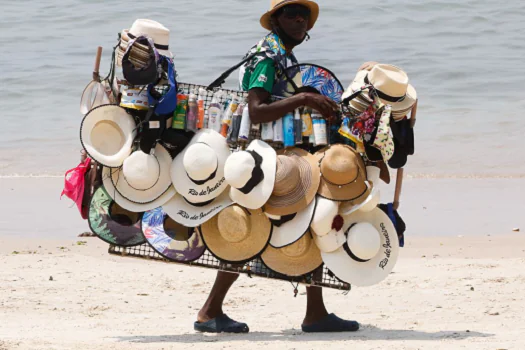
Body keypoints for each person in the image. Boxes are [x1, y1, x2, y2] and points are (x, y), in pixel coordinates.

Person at [194, 0, 361, 334]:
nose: (300, 20)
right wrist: (305, 99)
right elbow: (256, 109)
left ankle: (315, 312)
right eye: (291, 14)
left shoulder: (283, 53)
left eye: (304, 16)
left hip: (283, 152)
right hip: (265, 157)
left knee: (309, 218)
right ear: (275, 19)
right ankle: (210, 311)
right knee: (256, 226)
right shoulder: (266, 57)